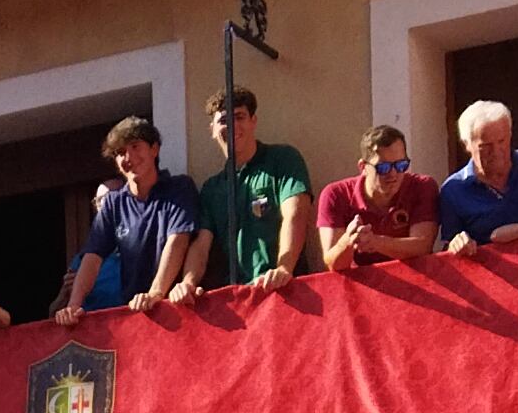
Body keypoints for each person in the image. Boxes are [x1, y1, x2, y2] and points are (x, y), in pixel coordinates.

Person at [58, 118, 205, 319]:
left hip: (179, 306)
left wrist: (155, 293)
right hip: (137, 314)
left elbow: (178, 241)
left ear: (154, 149)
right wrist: (74, 306)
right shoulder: (113, 203)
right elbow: (93, 256)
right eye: (120, 152)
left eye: (135, 146)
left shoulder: (179, 188)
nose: (129, 157)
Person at [194, 88, 315, 292]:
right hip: (236, 300)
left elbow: (296, 214)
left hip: (281, 291)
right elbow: (201, 245)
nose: (232, 125)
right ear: (212, 130)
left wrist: (283, 268)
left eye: (239, 117)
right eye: (224, 120)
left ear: (253, 121)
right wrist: (188, 282)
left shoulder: (283, 159)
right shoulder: (211, 188)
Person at [436, 99, 518, 249]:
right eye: (486, 146)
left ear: (510, 135)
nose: (496, 151)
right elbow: (450, 246)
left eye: (501, 141)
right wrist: (458, 244)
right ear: (467, 145)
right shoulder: (453, 190)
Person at [315, 127, 440, 272]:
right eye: (383, 168)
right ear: (363, 167)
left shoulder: (421, 187)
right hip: (360, 283)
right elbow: (333, 265)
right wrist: (348, 240)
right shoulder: (336, 195)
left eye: (401, 165)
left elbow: (422, 247)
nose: (393, 174)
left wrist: (375, 242)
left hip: (415, 279)